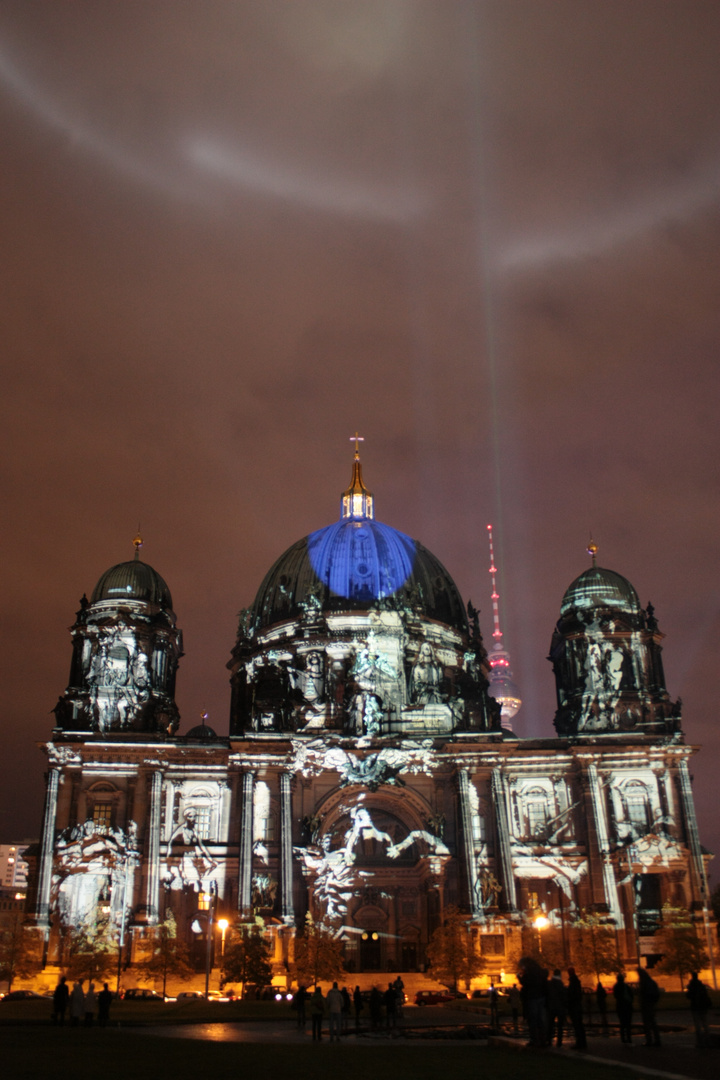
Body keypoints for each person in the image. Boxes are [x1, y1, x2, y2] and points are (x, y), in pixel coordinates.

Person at [518, 956, 548, 1047]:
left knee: (533, 1020)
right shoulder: (539, 972)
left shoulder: (529, 973)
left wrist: (519, 977)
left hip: (532, 998)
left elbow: (526, 983)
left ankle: (534, 1039)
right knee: (540, 1020)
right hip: (541, 997)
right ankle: (542, 1039)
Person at [686, 971, 712, 1048]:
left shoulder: (692, 986)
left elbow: (689, 996)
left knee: (697, 1024)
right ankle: (707, 1040)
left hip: (695, 1007)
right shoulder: (701, 985)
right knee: (705, 1023)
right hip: (703, 1006)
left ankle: (700, 1041)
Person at [637, 967, 661, 1046]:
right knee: (653, 1023)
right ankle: (657, 1039)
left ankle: (649, 1040)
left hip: (646, 1004)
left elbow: (642, 993)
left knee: (647, 1023)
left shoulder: (643, 982)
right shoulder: (651, 981)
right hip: (651, 1004)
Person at [567, 967, 587, 1050]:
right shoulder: (576, 981)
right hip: (577, 1005)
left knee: (577, 1025)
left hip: (574, 1006)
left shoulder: (573, 982)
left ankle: (579, 1043)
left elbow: (572, 994)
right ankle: (582, 1042)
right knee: (579, 1025)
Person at [546, 969, 567, 1047]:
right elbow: (563, 996)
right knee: (560, 1026)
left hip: (552, 1007)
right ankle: (559, 1041)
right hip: (560, 1007)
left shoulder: (550, 984)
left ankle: (549, 1040)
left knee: (550, 1025)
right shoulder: (560, 984)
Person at [613, 973, 634, 1044]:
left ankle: (623, 1038)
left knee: (622, 1023)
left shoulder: (616, 986)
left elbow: (616, 996)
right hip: (627, 1005)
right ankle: (628, 1037)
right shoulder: (626, 986)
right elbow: (631, 995)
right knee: (628, 1023)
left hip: (620, 1006)